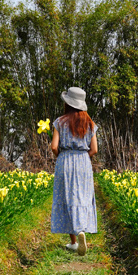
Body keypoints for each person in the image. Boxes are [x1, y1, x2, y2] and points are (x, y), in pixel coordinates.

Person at [50, 87, 98, 255]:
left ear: (68, 103)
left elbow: (54, 146)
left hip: (65, 161)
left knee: (68, 196)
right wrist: (83, 158)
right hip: (83, 162)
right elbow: (94, 149)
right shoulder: (90, 123)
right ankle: (82, 229)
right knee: (82, 196)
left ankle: (73, 242)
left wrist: (61, 157)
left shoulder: (60, 122)